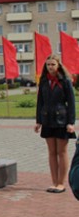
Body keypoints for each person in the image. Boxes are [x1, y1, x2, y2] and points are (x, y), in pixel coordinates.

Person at [34, 54, 76, 193]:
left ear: (58, 65)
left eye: (53, 64)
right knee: (52, 152)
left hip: (61, 120)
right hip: (47, 119)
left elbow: (71, 103)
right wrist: (38, 121)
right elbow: (40, 102)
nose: (50, 67)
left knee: (61, 152)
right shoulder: (44, 81)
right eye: (48, 65)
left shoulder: (65, 81)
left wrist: (71, 122)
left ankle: (61, 183)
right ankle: (53, 182)